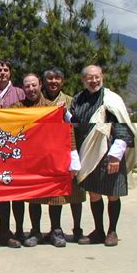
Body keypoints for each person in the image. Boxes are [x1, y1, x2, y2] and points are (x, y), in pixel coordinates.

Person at [70, 65, 137, 246]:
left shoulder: (112, 99)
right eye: (89, 78)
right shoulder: (78, 99)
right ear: (83, 80)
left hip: (109, 151)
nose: (93, 81)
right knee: (94, 193)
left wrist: (115, 156)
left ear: (102, 77)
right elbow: (73, 123)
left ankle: (112, 231)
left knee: (112, 194)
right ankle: (98, 230)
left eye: (96, 77)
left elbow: (122, 127)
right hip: (88, 152)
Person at [12, 73, 82, 248]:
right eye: (27, 86)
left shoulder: (53, 108)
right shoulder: (17, 107)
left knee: (54, 196)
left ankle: (55, 230)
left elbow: (68, 132)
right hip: (29, 160)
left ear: (40, 85)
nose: (30, 89)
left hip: (51, 158)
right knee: (34, 197)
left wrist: (73, 158)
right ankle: (35, 230)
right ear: (23, 88)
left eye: (34, 85)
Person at [42, 67, 86, 243]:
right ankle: (56, 229)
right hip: (48, 155)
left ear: (63, 81)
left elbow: (78, 125)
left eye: (57, 78)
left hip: (70, 150)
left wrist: (65, 112)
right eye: (50, 79)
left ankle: (77, 229)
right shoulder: (40, 102)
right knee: (55, 196)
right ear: (44, 82)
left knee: (75, 193)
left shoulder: (71, 101)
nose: (53, 82)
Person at [0, 59, 25, 248]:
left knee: (17, 191)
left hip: (15, 146)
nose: (2, 73)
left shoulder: (20, 93)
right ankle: (3, 230)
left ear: (10, 73)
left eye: (5, 70)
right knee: (1, 190)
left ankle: (19, 229)